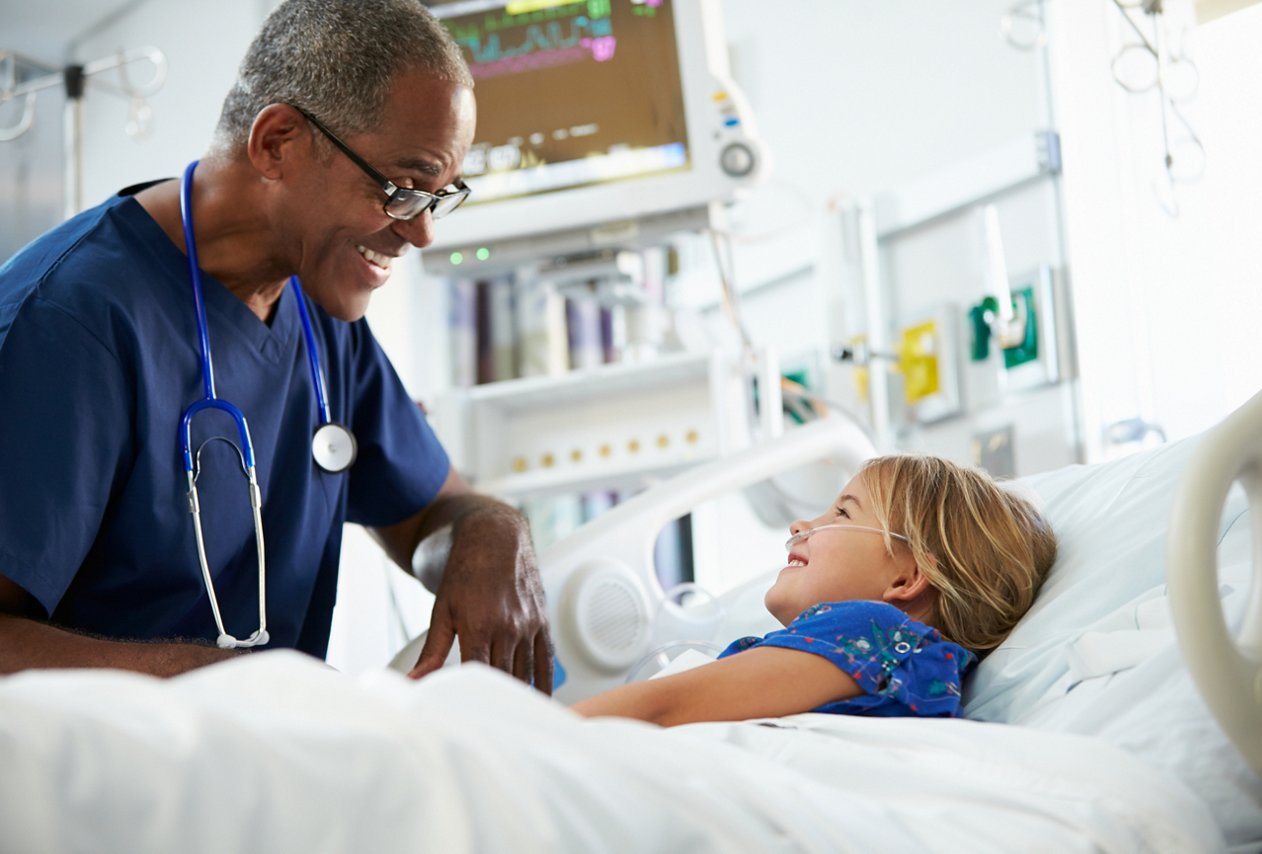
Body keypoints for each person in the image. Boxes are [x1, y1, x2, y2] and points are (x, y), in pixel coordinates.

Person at [0, 0, 554, 691]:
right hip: (95, 786)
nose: (420, 235)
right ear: (278, 144)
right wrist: (218, 685)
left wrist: (491, 533)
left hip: (263, 768)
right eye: (402, 190)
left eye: (439, 198)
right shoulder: (71, 324)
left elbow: (436, 513)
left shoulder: (320, 314)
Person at [572, 455, 1057, 725]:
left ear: (907, 579)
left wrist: (527, 733)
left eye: (843, 514)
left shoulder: (875, 633)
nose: (802, 523)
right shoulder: (895, 660)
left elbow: (662, 707)